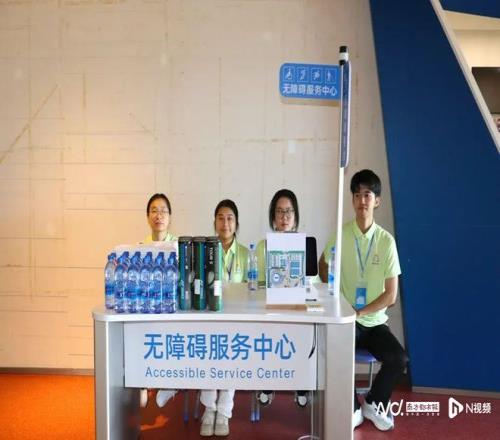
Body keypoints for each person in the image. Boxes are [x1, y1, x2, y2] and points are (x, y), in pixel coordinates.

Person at [318, 169, 408, 431]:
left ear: (377, 201)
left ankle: (373, 402)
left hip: (374, 322)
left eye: (367, 195)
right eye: (357, 195)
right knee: (337, 353)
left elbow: (391, 295)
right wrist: (335, 294)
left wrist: (361, 312)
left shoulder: (386, 242)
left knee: (399, 359)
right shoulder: (341, 234)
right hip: (348, 321)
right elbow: (323, 264)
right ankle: (353, 408)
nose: (361, 201)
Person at [255, 189, 308, 408]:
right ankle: (268, 383)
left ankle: (302, 383)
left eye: (289, 211)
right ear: (273, 217)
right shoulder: (263, 246)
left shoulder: (304, 244)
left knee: (305, 331)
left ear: (295, 216)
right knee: (269, 332)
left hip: (296, 308)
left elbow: (311, 282)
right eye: (279, 211)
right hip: (271, 309)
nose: (284, 217)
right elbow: (258, 283)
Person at [200, 199, 248, 437]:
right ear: (214, 222)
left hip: (236, 321)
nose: (225, 223)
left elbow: (251, 289)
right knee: (208, 352)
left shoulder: (246, 254)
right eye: (220, 218)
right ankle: (209, 409)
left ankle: (224, 412)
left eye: (230, 218)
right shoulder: (206, 251)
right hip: (211, 318)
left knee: (232, 356)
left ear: (236, 223)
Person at [140, 193, 178, 409]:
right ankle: (144, 379)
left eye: (163, 211)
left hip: (172, 308)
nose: (159, 215)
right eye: (154, 210)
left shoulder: (178, 246)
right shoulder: (140, 247)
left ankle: (169, 383)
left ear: (170, 217)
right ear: (147, 217)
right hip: (149, 308)